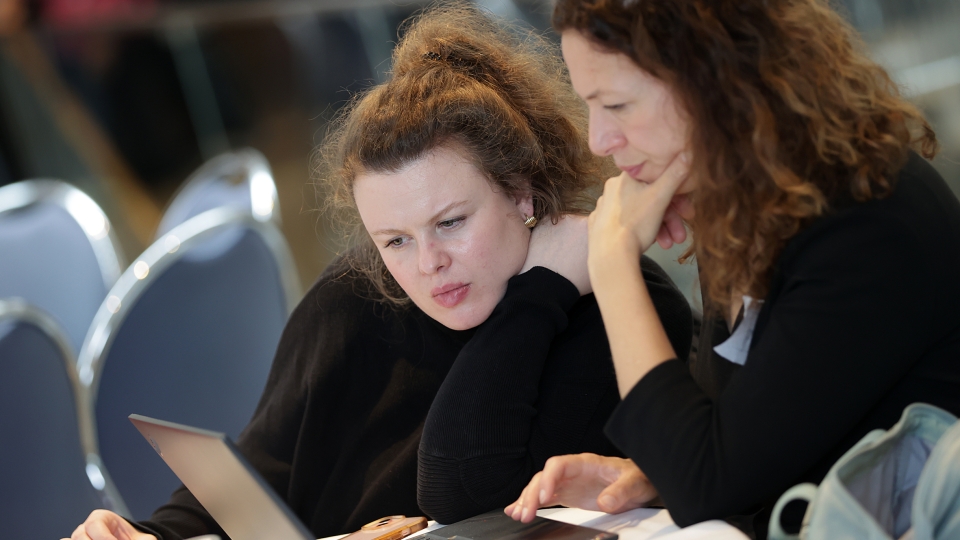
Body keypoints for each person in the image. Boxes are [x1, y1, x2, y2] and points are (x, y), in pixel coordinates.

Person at [65, 4, 693, 540]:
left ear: (523, 193)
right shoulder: (357, 298)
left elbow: (462, 489)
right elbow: (259, 474)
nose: (427, 264)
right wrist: (152, 533)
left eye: (451, 222)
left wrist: (539, 294)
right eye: (394, 239)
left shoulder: (617, 309)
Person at [506, 0, 960, 537]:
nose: (598, 139)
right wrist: (656, 472)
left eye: (618, 105)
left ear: (719, 83)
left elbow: (707, 486)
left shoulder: (867, 221)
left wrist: (612, 263)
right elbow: (736, 443)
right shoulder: (748, 207)